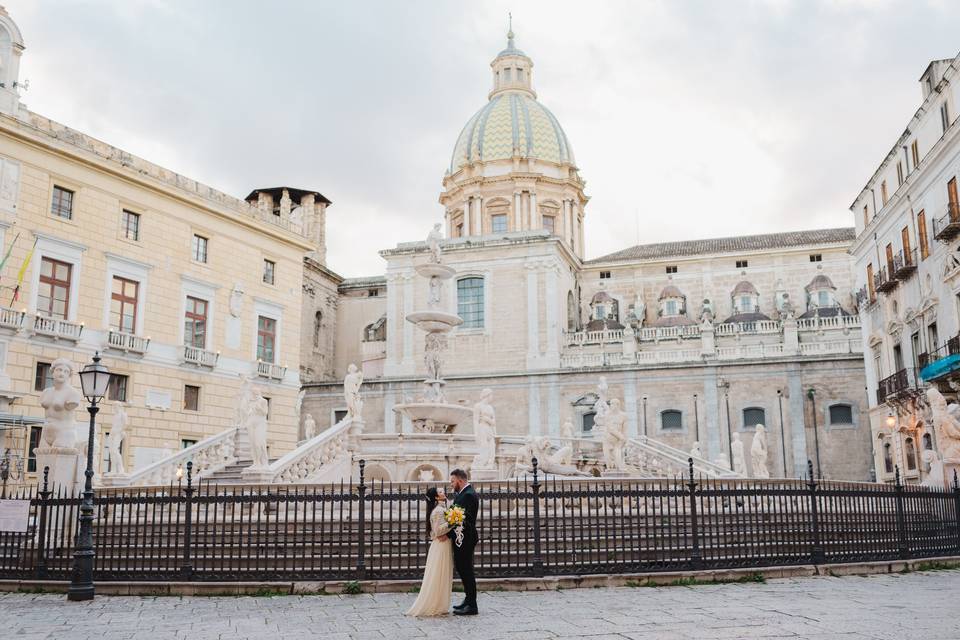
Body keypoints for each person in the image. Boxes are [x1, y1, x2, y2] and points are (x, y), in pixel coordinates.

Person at [405, 487, 453, 617]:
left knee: (443, 574)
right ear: (437, 497)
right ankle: (435, 604)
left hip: (444, 544)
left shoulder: (442, 508)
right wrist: (454, 521)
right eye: (441, 492)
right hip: (441, 546)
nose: (444, 492)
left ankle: (441, 604)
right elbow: (438, 531)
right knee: (439, 575)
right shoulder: (437, 511)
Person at [448, 468, 479, 615]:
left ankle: (472, 605)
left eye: (453, 481)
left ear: (460, 480)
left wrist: (451, 522)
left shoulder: (468, 495)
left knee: (466, 570)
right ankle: (467, 600)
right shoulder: (463, 493)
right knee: (462, 569)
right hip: (462, 538)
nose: (451, 484)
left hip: (465, 538)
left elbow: (467, 519)